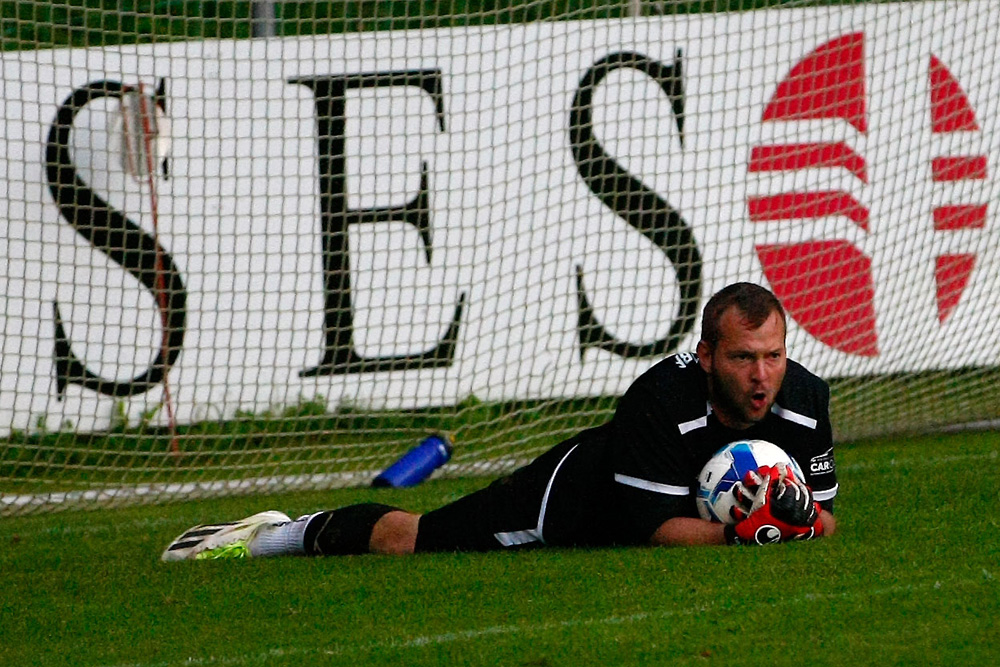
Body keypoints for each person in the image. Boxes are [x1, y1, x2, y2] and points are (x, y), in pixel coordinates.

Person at [162, 282, 837, 561]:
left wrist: (799, 515)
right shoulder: (661, 399)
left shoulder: (804, 399)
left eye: (773, 356)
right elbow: (655, 529)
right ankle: (279, 534)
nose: (761, 375)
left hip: (683, 508)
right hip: (583, 496)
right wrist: (748, 534)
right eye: (744, 357)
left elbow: (826, 517)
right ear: (709, 353)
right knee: (413, 538)